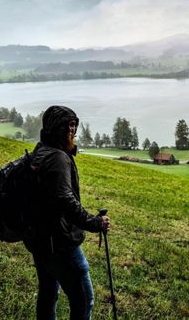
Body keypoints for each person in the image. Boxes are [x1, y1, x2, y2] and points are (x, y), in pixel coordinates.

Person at [24, 105, 111, 320]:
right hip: (60, 243)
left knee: (48, 292)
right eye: (67, 127)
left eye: (73, 126)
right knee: (84, 300)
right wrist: (96, 223)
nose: (72, 131)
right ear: (55, 129)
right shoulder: (58, 158)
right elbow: (66, 201)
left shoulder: (41, 150)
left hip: (39, 239)